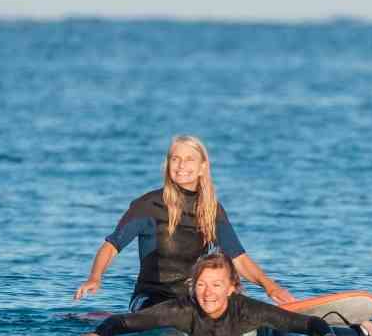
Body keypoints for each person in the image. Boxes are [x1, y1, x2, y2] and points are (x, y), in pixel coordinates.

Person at [73, 134, 294, 313]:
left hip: (194, 298)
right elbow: (111, 247)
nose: (181, 166)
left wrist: (270, 287)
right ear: (167, 164)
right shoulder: (148, 204)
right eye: (175, 159)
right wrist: (95, 277)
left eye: (189, 159)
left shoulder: (211, 210)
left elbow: (239, 259)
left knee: (239, 311)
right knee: (179, 317)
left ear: (202, 167)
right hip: (150, 299)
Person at [69, 253, 359, 336]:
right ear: (192, 285)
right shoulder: (181, 310)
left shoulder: (247, 310)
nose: (208, 293)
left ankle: (358, 329)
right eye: (202, 285)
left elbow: (307, 324)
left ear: (232, 287)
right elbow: (126, 321)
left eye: (217, 285)